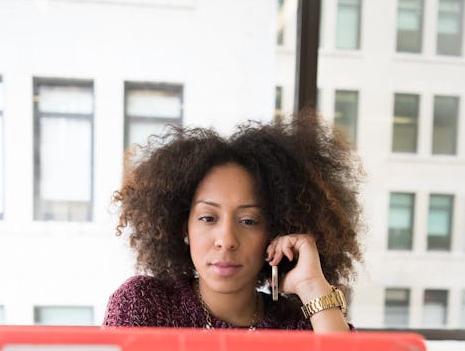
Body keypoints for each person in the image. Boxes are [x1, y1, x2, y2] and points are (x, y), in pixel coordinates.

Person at [103, 109, 363, 332]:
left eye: (248, 221)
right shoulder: (144, 305)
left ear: (274, 232)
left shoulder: (299, 325)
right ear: (184, 227)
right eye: (208, 218)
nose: (226, 240)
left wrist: (312, 287)